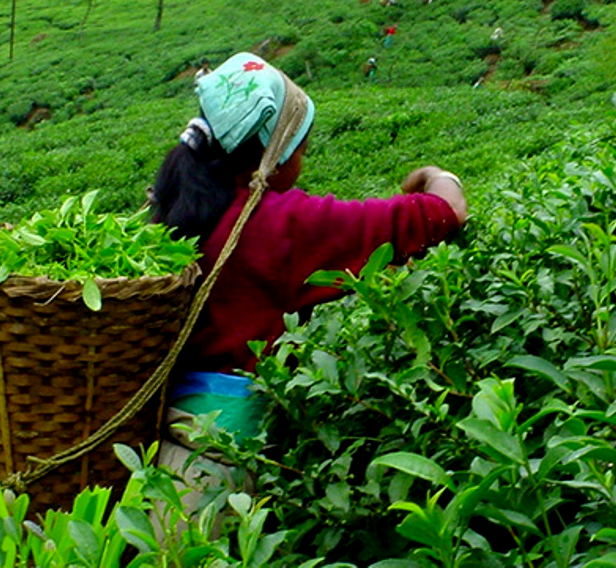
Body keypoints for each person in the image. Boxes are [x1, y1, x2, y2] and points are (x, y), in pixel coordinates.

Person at [147, 52, 467, 521]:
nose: (303, 159)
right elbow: (445, 212)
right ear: (271, 154)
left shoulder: (176, 203)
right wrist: (437, 178)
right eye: (300, 147)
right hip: (222, 461)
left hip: (164, 436)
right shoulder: (278, 224)